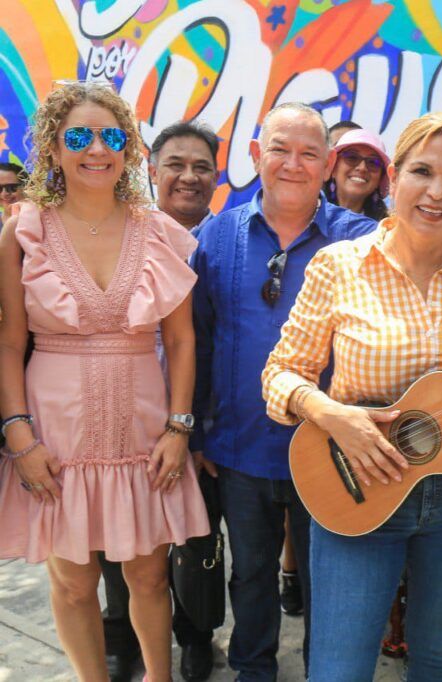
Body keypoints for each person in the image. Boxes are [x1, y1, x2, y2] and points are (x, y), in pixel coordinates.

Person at [261, 111, 442, 681]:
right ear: (394, 177)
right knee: (339, 670)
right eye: (423, 171)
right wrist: (330, 413)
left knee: (437, 658)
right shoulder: (339, 266)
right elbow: (281, 374)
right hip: (357, 487)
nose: (437, 192)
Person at [0, 82, 209, 681]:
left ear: (127, 148)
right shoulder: (23, 231)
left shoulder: (158, 230)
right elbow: (9, 341)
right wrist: (19, 435)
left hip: (144, 434)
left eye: (111, 136)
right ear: (53, 147)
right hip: (54, 436)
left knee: (149, 575)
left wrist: (179, 428)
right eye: (79, 137)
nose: (97, 149)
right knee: (72, 582)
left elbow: (181, 340)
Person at [190, 102, 376, 681]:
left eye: (309, 153)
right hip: (240, 448)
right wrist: (196, 433)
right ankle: (253, 670)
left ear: (328, 164)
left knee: (330, 580)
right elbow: (197, 339)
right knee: (250, 573)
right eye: (280, 149)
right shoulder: (217, 235)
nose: (293, 164)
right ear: (255, 156)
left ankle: (328, 670)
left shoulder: (363, 240)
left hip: (334, 450)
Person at [96, 119, 221, 682]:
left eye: (202, 167)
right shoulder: (121, 233)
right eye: (176, 164)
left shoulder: (224, 242)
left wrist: (199, 429)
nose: (188, 177)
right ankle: (120, 638)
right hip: (123, 419)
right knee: (117, 543)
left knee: (196, 545)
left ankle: (195, 639)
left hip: (198, 427)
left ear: (216, 176)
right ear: (151, 169)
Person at [327, 128, 390, 221]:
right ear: (333, 168)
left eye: (373, 162)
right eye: (352, 157)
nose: (362, 168)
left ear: (380, 179)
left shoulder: (386, 228)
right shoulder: (307, 213)